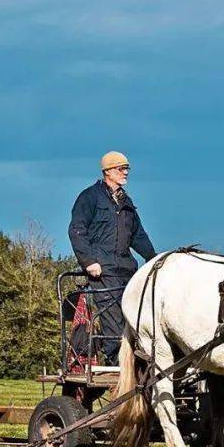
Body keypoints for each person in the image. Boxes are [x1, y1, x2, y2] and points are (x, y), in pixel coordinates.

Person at [68, 151, 156, 365]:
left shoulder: (126, 201)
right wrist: (89, 262)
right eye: (120, 168)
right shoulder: (89, 197)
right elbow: (77, 231)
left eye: (127, 168)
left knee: (134, 319)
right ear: (107, 171)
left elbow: (138, 235)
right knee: (113, 321)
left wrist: (154, 259)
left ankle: (138, 364)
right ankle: (116, 366)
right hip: (103, 271)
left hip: (127, 269)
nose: (125, 172)